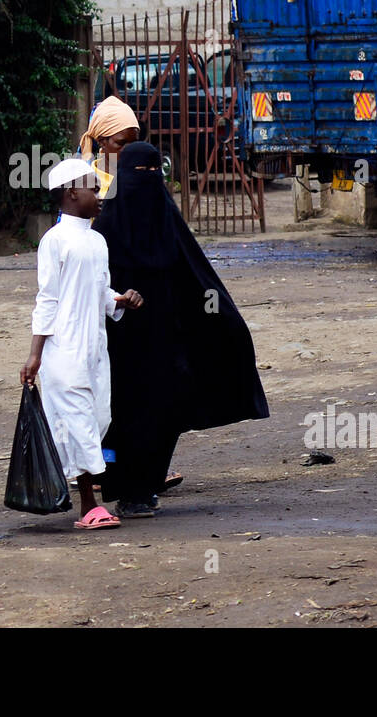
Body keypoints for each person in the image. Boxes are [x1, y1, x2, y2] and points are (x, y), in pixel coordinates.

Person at [93, 142, 270, 519]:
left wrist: (223, 320)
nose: (146, 183)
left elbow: (197, 280)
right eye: (138, 175)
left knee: (165, 405)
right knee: (123, 411)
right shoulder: (103, 230)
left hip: (164, 342)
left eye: (152, 174)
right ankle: (127, 489)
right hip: (118, 346)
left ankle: (148, 482)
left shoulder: (167, 224)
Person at [21, 158, 142, 530]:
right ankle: (89, 505)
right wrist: (35, 354)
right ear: (72, 193)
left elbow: (100, 291)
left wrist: (121, 300)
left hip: (94, 348)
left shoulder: (97, 240)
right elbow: (49, 299)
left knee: (98, 418)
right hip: (63, 349)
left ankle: (62, 483)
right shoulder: (54, 241)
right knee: (79, 424)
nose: (100, 194)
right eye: (92, 186)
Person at [80, 96, 140, 199]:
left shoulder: (143, 179)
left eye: (133, 143)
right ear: (102, 142)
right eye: (121, 143)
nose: (129, 150)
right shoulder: (87, 189)